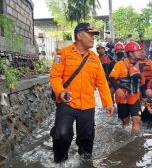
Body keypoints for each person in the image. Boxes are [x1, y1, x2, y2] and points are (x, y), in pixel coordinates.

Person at [49, 23, 114, 163]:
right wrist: (60, 92)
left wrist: (108, 103)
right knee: (61, 135)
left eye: (93, 35)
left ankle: (85, 163)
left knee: (86, 141)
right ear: (79, 35)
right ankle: (60, 161)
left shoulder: (94, 58)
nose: (93, 38)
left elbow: (102, 83)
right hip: (67, 102)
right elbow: (55, 77)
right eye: (90, 34)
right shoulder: (63, 53)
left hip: (87, 106)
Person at [109, 41, 143, 134]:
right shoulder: (120, 64)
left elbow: (140, 83)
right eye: (138, 51)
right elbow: (111, 78)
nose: (140, 52)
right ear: (131, 53)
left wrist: (143, 97)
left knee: (137, 120)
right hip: (122, 99)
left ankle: (135, 142)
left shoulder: (139, 64)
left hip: (135, 98)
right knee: (125, 122)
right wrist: (117, 89)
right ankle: (125, 139)